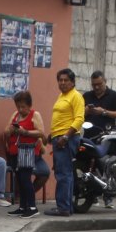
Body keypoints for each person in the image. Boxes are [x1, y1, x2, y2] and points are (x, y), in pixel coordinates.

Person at [2, 90, 48, 219]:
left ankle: (32, 207)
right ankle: (22, 207)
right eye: (18, 106)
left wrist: (25, 132)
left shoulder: (35, 115)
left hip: (28, 152)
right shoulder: (15, 115)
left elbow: (40, 132)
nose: (20, 109)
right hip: (15, 151)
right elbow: (6, 131)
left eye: (23, 107)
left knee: (25, 179)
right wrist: (10, 130)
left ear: (29, 105)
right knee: (20, 180)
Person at [46, 68, 84, 217]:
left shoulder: (76, 96)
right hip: (59, 137)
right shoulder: (62, 96)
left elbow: (79, 119)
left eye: (65, 80)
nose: (62, 83)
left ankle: (63, 207)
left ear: (72, 82)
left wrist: (66, 137)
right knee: (65, 172)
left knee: (63, 174)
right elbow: (62, 118)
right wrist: (53, 134)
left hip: (67, 138)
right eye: (60, 80)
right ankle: (67, 207)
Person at [83, 71, 116, 208]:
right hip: (89, 136)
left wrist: (104, 112)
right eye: (94, 85)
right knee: (87, 165)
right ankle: (91, 194)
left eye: (99, 84)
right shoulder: (86, 96)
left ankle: (108, 196)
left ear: (105, 81)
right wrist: (87, 111)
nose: (96, 87)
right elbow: (79, 114)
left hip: (107, 137)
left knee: (104, 164)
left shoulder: (114, 96)